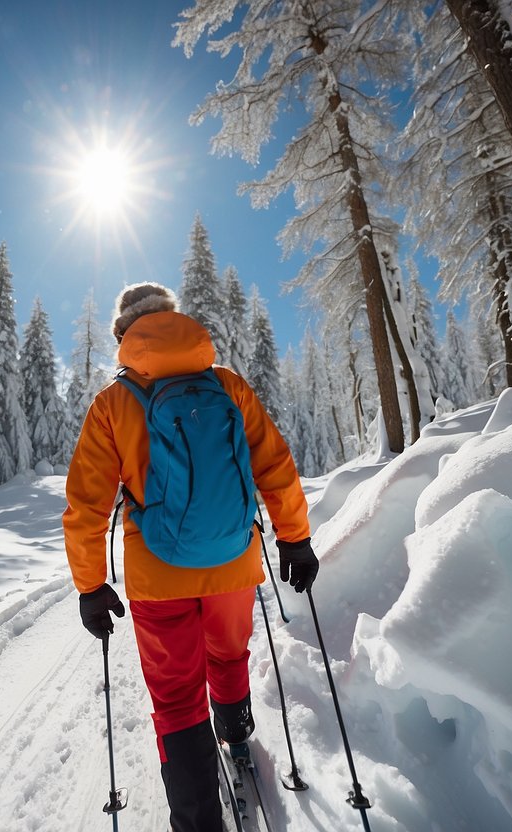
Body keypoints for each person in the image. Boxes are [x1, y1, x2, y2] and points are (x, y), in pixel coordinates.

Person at [63, 282, 319, 832]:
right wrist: (294, 536)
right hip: (233, 559)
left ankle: (199, 820)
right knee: (228, 655)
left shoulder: (112, 403)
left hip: (158, 575)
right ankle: (236, 735)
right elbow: (274, 464)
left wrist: (90, 585)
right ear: (174, 320)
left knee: (177, 696)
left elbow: (87, 504)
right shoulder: (225, 384)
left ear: (124, 334)